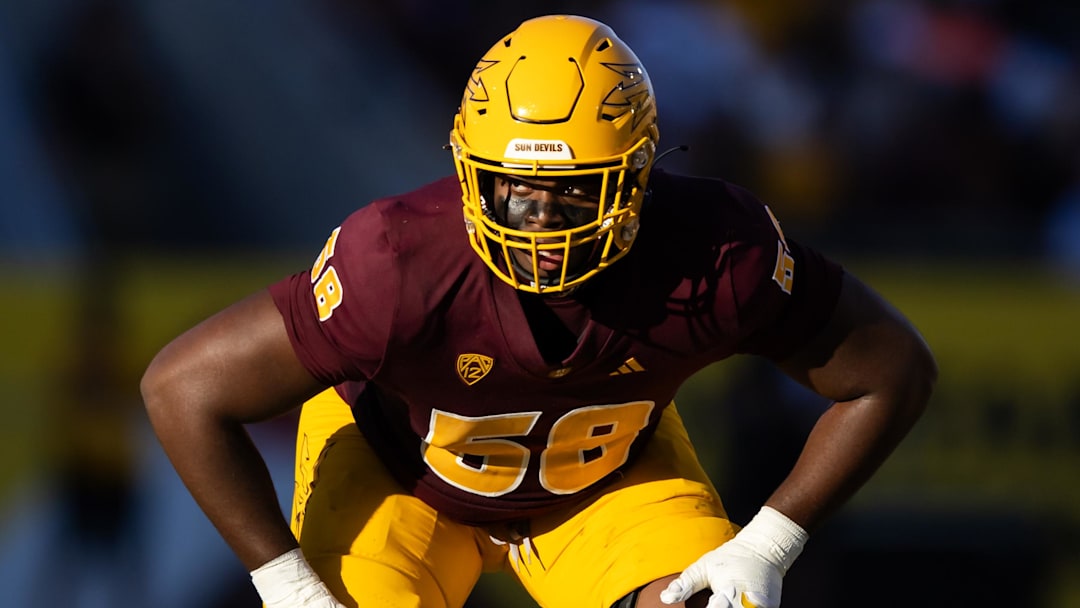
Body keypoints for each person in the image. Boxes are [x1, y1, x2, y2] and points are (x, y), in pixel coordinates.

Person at [141, 14, 936, 608]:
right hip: (401, 481)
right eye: (514, 185)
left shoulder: (716, 248)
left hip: (604, 483)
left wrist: (772, 541)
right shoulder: (397, 263)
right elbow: (182, 388)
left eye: (574, 188)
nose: (540, 215)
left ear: (637, 178)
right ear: (468, 168)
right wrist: (285, 584)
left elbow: (890, 371)